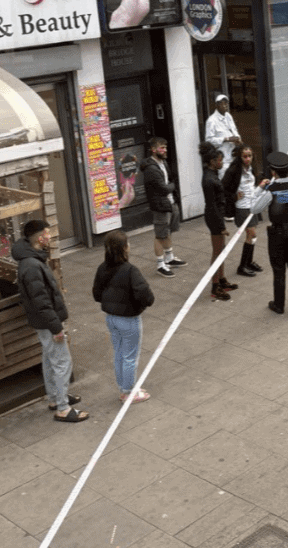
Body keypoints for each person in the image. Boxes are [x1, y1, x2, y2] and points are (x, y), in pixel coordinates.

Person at [12, 220, 88, 423]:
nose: (50, 237)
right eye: (47, 234)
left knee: (49, 358)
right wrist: (56, 327)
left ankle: (56, 398)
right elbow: (42, 301)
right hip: (48, 322)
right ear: (39, 238)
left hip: (42, 321)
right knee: (62, 361)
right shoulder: (32, 265)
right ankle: (63, 408)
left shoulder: (30, 260)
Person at [92, 230, 154, 404]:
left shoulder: (102, 268)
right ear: (124, 248)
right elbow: (145, 295)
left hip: (111, 318)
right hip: (128, 319)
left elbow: (96, 294)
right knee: (130, 356)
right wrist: (142, 304)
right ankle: (129, 391)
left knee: (119, 353)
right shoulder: (130, 270)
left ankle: (124, 388)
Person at [250, 151, 288, 316]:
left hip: (277, 233)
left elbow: (254, 208)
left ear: (273, 172)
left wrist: (259, 188)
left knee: (278, 270)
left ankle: (278, 305)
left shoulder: (272, 190)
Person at [141, 137, 187, 278]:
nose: (165, 150)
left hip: (170, 203)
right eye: (162, 148)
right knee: (160, 235)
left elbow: (170, 182)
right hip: (160, 206)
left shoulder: (163, 163)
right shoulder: (151, 169)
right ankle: (161, 265)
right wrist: (172, 186)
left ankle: (170, 257)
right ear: (154, 150)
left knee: (168, 232)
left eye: (166, 147)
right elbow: (164, 188)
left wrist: (171, 187)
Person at [199, 142, 239, 301]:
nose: (222, 163)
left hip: (217, 216)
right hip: (214, 218)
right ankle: (215, 287)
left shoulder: (212, 174)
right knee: (217, 253)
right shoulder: (209, 179)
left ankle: (221, 280)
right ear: (212, 161)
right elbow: (212, 205)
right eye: (219, 160)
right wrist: (221, 226)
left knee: (221, 251)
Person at [222, 144, 268, 277]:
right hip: (242, 207)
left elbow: (251, 189)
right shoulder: (233, 171)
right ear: (240, 157)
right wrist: (233, 197)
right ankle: (242, 266)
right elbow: (223, 189)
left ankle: (249, 262)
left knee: (253, 236)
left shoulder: (251, 168)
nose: (248, 159)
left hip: (252, 205)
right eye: (245, 156)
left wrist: (261, 186)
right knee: (251, 234)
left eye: (250, 156)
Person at [204, 93, 241, 179]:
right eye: (222, 103)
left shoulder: (228, 116)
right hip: (223, 160)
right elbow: (208, 141)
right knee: (225, 183)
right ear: (217, 105)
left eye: (226, 103)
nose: (225, 105)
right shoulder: (211, 120)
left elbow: (234, 130)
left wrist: (238, 139)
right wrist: (226, 139)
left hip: (234, 156)